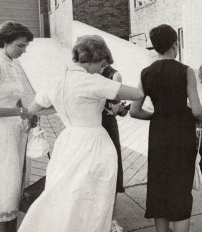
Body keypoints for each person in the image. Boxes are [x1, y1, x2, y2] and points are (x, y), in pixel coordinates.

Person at [18, 35, 144, 232]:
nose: (102, 69)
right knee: (93, 197)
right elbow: (137, 94)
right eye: (102, 65)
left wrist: (58, 108)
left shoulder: (55, 80)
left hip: (67, 141)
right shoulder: (93, 82)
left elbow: (33, 108)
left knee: (65, 193)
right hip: (94, 142)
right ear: (95, 59)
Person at [130, 24, 202, 232]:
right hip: (182, 134)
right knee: (181, 190)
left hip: (157, 135)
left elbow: (134, 111)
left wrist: (156, 116)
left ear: (155, 47)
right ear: (175, 44)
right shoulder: (186, 72)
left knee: (160, 189)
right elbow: (196, 110)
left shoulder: (145, 73)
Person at [0, 21, 35, 232]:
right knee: (6, 182)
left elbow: (16, 97)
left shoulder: (12, 63)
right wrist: (20, 112)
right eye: (20, 46)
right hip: (2, 132)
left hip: (16, 130)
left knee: (16, 183)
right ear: (5, 41)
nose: (23, 51)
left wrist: (27, 113)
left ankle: (11, 225)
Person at [101, 63, 127, 232]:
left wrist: (118, 107)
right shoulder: (86, 73)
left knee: (112, 165)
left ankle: (111, 217)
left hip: (107, 124)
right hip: (93, 123)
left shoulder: (114, 75)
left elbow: (116, 108)